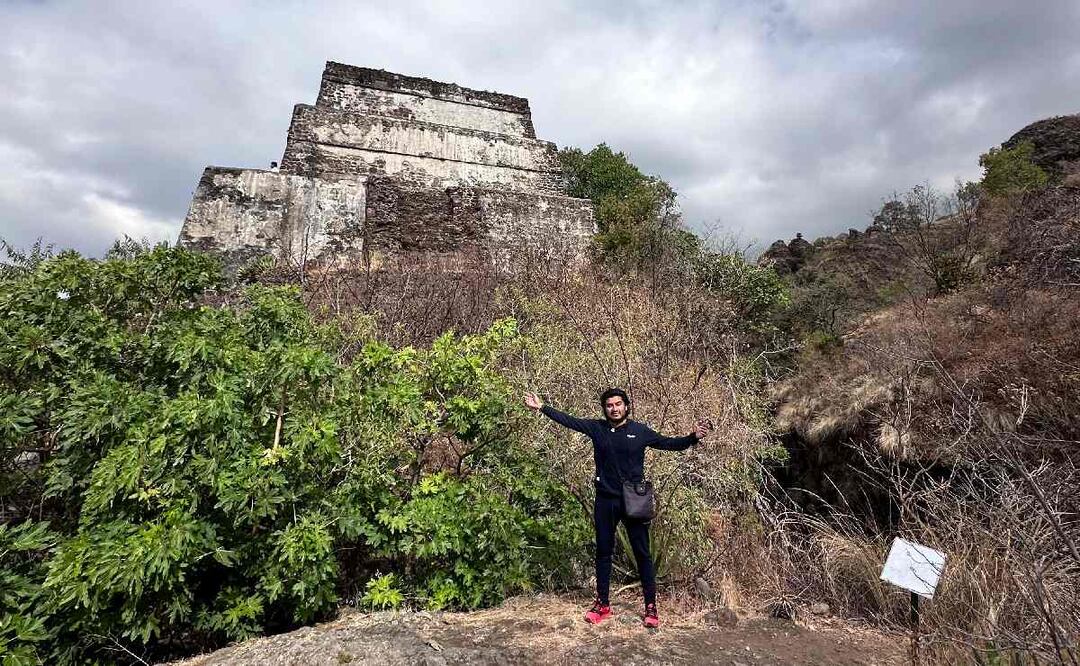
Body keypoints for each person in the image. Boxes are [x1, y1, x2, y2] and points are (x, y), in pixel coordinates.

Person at [524, 388, 709, 628]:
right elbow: (570, 421)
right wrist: (542, 408)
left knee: (642, 554)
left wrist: (692, 437)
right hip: (605, 500)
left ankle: (650, 607)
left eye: (618, 404)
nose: (614, 408)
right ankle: (602, 604)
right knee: (603, 552)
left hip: (634, 500)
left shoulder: (639, 431)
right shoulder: (597, 429)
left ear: (626, 406)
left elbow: (668, 444)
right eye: (609, 405)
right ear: (605, 409)